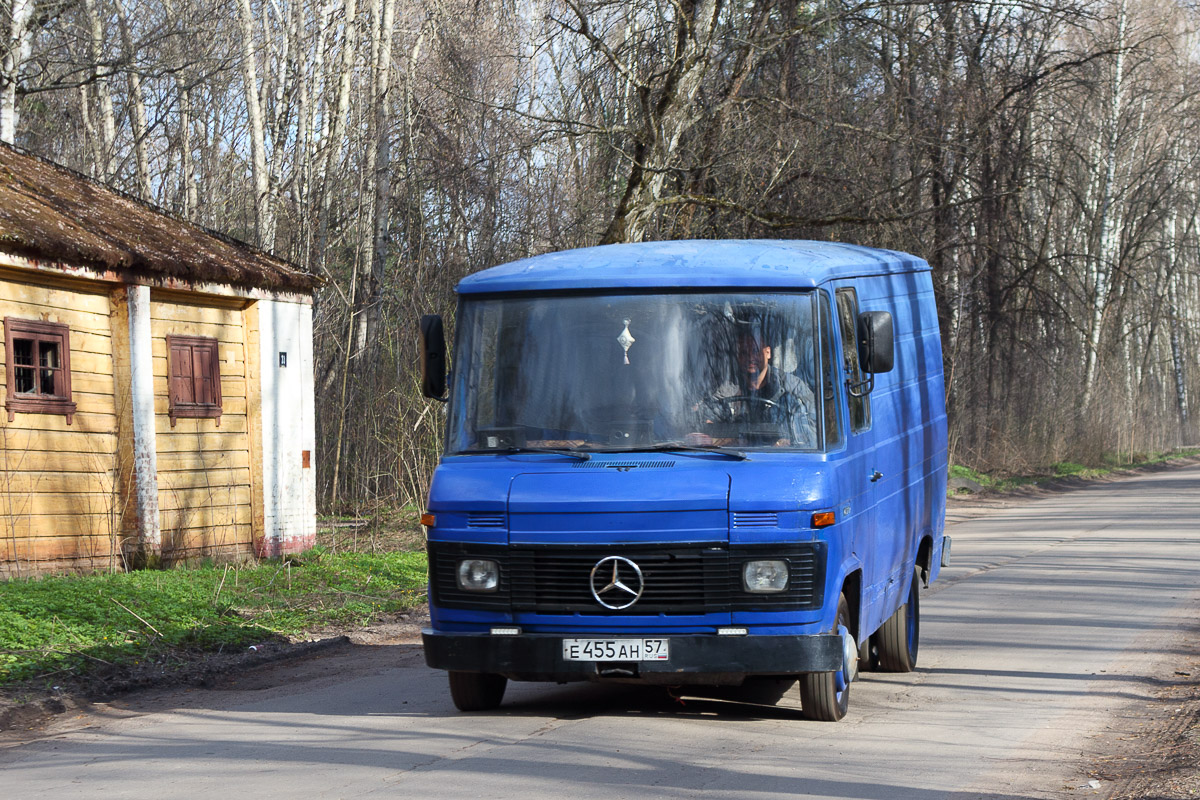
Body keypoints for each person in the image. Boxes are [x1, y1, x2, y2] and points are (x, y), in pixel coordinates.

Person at [693, 329, 817, 447]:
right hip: (736, 456)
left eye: (756, 351)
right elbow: (707, 416)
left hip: (781, 457)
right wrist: (708, 429)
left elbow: (814, 425)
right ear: (738, 357)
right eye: (744, 353)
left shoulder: (792, 387)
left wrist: (788, 440)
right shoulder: (728, 389)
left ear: (768, 352)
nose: (751, 357)